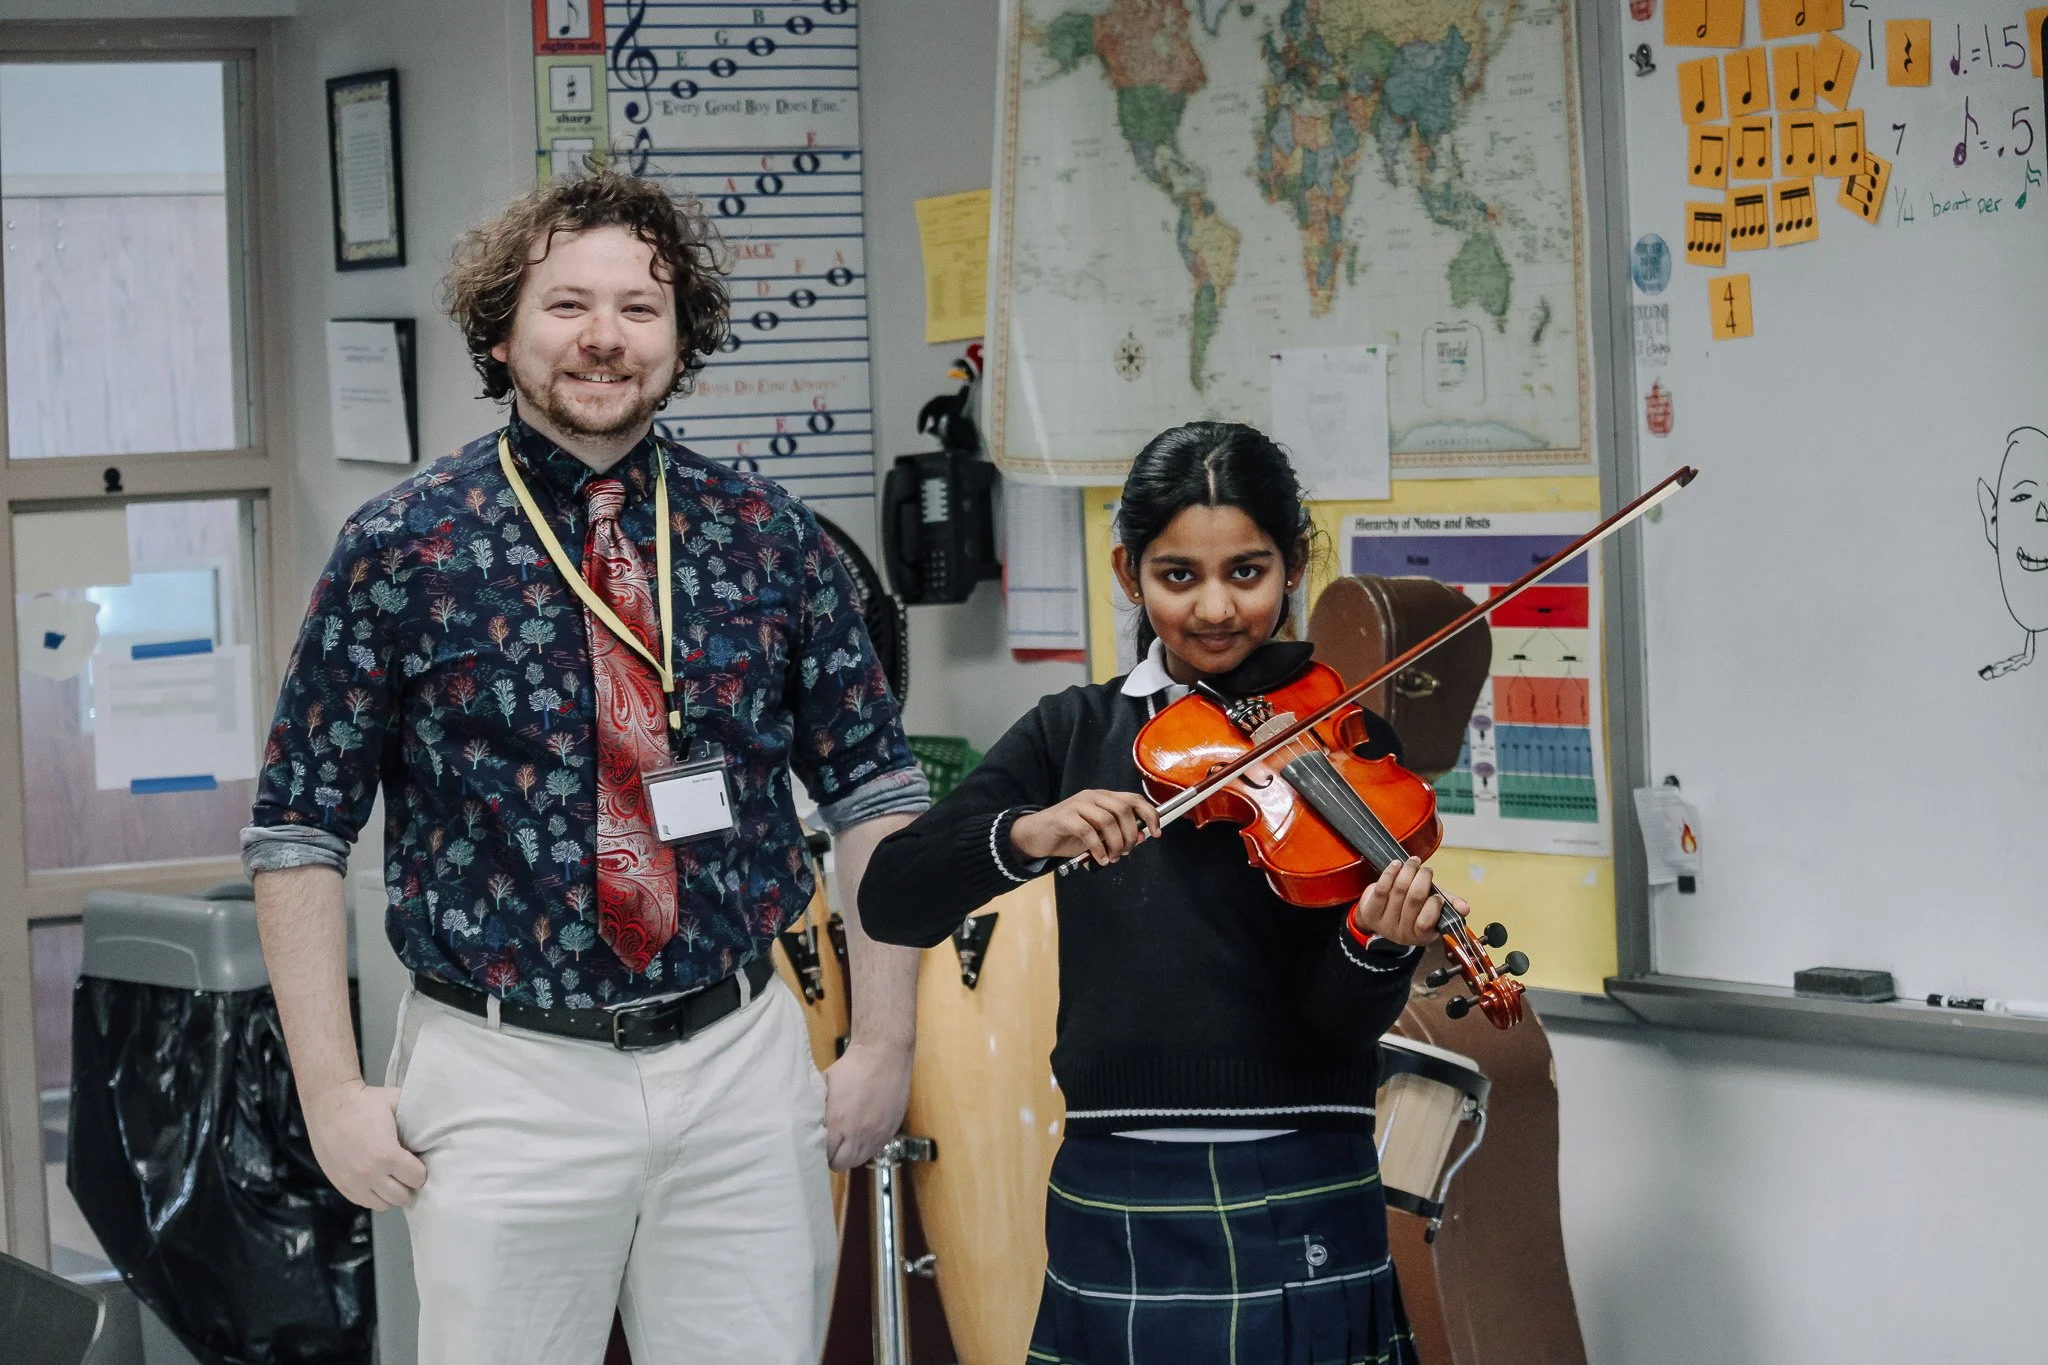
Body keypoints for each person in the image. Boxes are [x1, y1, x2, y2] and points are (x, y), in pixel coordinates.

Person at [243, 167, 927, 1365]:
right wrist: (330, 1092)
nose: (603, 338)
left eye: (639, 308)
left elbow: (876, 797)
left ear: (681, 337)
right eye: (566, 306)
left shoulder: (772, 540)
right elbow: (297, 832)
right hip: (507, 1074)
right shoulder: (403, 548)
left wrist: (882, 1044)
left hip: (736, 1063)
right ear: (501, 333)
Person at [861, 421, 1460, 1364]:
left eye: (1248, 572)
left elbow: (1336, 1025)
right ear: (1127, 569)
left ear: (1294, 561)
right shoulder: (1076, 730)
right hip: (1118, 1175)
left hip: (1302, 1165)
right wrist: (1024, 833)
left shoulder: (1341, 741)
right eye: (1178, 576)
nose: (1215, 608)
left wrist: (1374, 948)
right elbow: (892, 899)